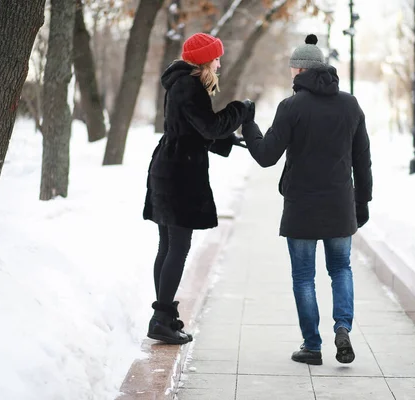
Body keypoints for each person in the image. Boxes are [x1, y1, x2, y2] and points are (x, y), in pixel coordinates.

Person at [241, 34, 373, 365]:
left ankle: (312, 346)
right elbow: (363, 160)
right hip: (340, 205)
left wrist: (248, 125)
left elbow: (267, 155)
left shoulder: (291, 107)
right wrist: (363, 202)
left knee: (304, 277)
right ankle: (342, 328)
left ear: (300, 70)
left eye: (292, 69)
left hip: (301, 207)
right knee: (341, 269)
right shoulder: (350, 104)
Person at [143, 32, 251, 345]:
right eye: (216, 57)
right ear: (204, 60)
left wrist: (227, 140)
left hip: (170, 165)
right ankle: (161, 318)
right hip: (180, 173)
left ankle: (163, 316)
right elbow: (210, 126)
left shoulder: (181, 83)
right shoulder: (189, 85)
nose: (219, 62)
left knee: (168, 244)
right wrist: (240, 110)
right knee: (178, 245)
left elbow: (195, 128)